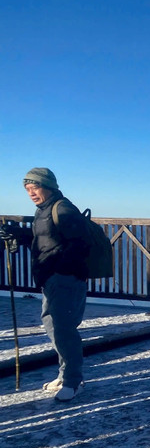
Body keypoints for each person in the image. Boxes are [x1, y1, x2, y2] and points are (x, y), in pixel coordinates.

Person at [0, 168, 90, 401]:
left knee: (63, 329)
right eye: (28, 189)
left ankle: (73, 381)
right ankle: (65, 375)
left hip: (65, 279)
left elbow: (81, 244)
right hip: (51, 278)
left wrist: (59, 269)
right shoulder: (43, 211)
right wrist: (16, 234)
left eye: (35, 187)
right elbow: (44, 240)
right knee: (53, 327)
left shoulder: (63, 208)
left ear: (49, 186)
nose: (31, 193)